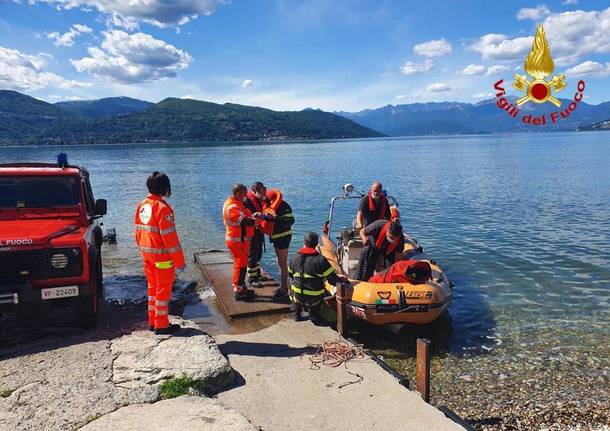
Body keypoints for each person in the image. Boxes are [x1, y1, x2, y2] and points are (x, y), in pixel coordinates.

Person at [135, 172, 185, 335]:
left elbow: (138, 232)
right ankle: (162, 325)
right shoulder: (163, 209)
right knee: (163, 290)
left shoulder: (143, 204)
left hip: (147, 256)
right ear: (166, 188)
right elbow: (170, 239)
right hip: (162, 258)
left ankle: (152, 321)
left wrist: (143, 251)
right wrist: (180, 262)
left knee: (152, 289)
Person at [288, 232, 346, 322]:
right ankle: (314, 314)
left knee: (293, 281)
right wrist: (342, 280)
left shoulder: (293, 258)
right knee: (321, 285)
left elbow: (290, 275)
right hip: (314, 300)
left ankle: (296, 314)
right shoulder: (321, 260)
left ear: (304, 243)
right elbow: (332, 281)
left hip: (297, 298)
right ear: (316, 244)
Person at [223, 183, 258, 301]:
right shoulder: (232, 206)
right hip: (237, 241)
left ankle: (241, 287)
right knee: (241, 265)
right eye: (243, 195)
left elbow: (245, 215)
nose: (245, 197)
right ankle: (239, 291)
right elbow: (244, 221)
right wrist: (257, 221)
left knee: (240, 265)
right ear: (237, 194)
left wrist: (252, 216)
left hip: (241, 240)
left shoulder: (237, 204)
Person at [265, 188, 295, 302]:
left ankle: (284, 288)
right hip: (276, 237)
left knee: (282, 262)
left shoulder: (284, 206)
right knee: (279, 261)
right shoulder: (270, 205)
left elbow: (291, 220)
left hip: (283, 236)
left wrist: (276, 218)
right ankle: (282, 285)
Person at [244, 181, 272, 287]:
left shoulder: (260, 198)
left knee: (259, 252)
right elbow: (245, 217)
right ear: (255, 191)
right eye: (261, 191)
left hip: (258, 230)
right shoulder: (247, 200)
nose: (263, 193)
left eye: (264, 190)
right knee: (252, 254)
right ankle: (252, 278)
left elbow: (265, 207)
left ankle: (257, 273)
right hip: (251, 231)